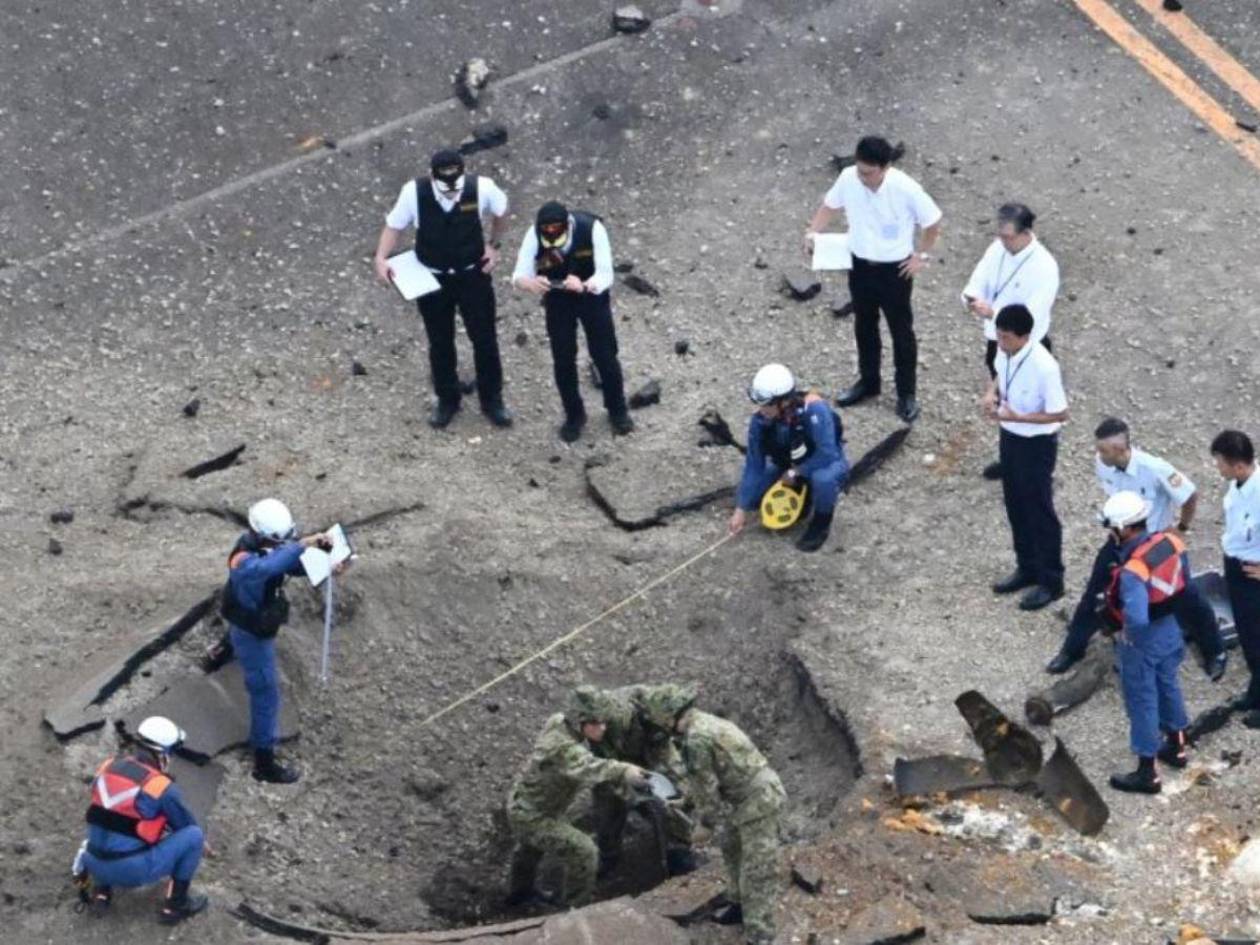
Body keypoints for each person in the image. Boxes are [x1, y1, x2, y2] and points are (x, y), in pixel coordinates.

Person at [1046, 417, 1227, 679]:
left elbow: (1189, 495)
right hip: (1121, 539)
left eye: (1103, 450)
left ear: (1120, 449)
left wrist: (1181, 528)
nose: (1098, 455)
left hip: (1156, 545)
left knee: (1185, 596)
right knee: (1096, 593)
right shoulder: (1103, 465)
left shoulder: (1154, 468)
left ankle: (1215, 651)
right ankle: (1072, 649)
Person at [806, 135, 943, 423]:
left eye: (868, 173)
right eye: (860, 170)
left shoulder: (905, 188)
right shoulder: (848, 178)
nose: (862, 177)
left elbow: (932, 222)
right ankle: (869, 382)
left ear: (885, 167)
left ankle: (906, 393)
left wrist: (921, 256)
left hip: (895, 269)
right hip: (860, 264)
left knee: (900, 331)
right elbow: (829, 206)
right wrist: (812, 232)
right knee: (864, 325)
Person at [374, 148, 512, 429]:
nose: (451, 192)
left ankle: (492, 399)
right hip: (432, 278)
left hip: (472, 275)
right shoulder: (413, 193)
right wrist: (380, 258)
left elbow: (503, 211)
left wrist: (494, 245)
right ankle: (447, 399)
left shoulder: (482, 188)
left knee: (484, 339)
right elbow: (394, 226)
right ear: (432, 176)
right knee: (440, 341)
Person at [639, 685, 785, 945]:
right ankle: (738, 906)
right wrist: (687, 802)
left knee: (757, 868)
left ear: (669, 717)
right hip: (740, 798)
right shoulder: (702, 725)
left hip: (758, 799)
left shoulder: (697, 739)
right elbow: (706, 779)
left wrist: (704, 825)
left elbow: (707, 787)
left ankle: (760, 934)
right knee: (731, 847)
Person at [219, 498, 334, 783]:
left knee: (236, 635)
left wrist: (326, 562)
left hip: (249, 614)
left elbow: (288, 564)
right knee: (266, 692)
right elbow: (267, 569)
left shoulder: (267, 546)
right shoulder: (244, 562)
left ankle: (222, 649)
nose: (288, 542)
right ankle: (264, 761)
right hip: (251, 630)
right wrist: (301, 546)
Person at [506, 687, 648, 908]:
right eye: (595, 722)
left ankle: (519, 895)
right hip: (531, 815)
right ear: (580, 721)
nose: (603, 727)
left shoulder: (561, 723)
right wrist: (624, 770)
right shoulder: (562, 748)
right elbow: (588, 766)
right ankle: (574, 909)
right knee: (584, 851)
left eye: (603, 721)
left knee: (530, 848)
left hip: (531, 805)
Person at [512, 201, 634, 442]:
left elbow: (606, 273)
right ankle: (574, 415)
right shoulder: (533, 234)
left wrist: (586, 285)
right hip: (557, 300)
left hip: (591, 296)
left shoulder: (592, 229)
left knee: (605, 354)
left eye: (556, 229)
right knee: (563, 357)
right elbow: (518, 274)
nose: (550, 233)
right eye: (546, 230)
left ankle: (617, 409)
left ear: (567, 225)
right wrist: (530, 283)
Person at [1097, 492, 1192, 794]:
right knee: (1169, 684)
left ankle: (1147, 771)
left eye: (1112, 528)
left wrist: (1120, 629)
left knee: (1141, 700)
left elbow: (1136, 618)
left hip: (1142, 640)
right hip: (1170, 629)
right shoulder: (1172, 542)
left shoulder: (1133, 570)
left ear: (1124, 528)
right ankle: (1177, 747)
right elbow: (1185, 582)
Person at [75, 716, 208, 924]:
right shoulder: (160, 787)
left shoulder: (107, 768)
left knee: (105, 826)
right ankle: (175, 906)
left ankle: (101, 891)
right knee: (195, 836)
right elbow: (186, 827)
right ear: (162, 754)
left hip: (91, 861)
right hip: (131, 871)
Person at [960, 203, 1060, 480]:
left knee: (1033, 409)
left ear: (1026, 232)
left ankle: (1039, 467)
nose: (1002, 241)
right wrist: (972, 299)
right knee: (1005, 402)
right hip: (999, 340)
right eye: (1000, 235)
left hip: (1028, 344)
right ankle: (1010, 459)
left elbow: (1032, 316)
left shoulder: (1045, 267)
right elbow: (978, 280)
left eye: (1008, 236)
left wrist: (992, 313)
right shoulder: (997, 249)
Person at [983, 304, 1069, 611]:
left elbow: (1060, 413)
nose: (1001, 341)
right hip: (1009, 435)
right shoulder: (1003, 351)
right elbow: (998, 372)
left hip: (1036, 442)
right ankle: (1027, 565)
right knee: (1015, 502)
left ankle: (1051, 579)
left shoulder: (1044, 367)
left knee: (1039, 508)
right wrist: (991, 393)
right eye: (999, 335)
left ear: (1024, 336)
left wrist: (1021, 417)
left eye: (1006, 337)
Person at [728, 363, 850, 553]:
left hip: (821, 463)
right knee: (751, 500)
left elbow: (827, 454)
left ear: (784, 401)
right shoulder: (760, 422)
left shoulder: (815, 411)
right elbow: (754, 465)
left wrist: (797, 472)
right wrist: (741, 509)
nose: (762, 410)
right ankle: (802, 490)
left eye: (767, 404)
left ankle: (821, 521)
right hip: (786, 464)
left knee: (823, 478)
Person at [588, 684, 697, 878]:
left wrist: (682, 791)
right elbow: (597, 749)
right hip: (610, 755)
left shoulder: (662, 719)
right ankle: (608, 856)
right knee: (608, 804)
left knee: (675, 790)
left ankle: (678, 850)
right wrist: (623, 778)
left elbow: (667, 755)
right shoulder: (613, 714)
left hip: (648, 747)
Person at [1211, 430, 1260, 727]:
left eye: (1219, 462)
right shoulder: (1238, 484)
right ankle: (1256, 692)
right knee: (1248, 636)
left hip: (1252, 571)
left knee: (1257, 638)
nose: (1217, 467)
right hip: (1235, 562)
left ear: (1237, 465)